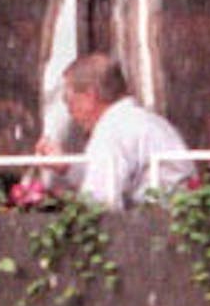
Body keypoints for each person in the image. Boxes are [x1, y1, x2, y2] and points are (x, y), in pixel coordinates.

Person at [36, 53, 193, 208]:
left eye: (68, 100)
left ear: (90, 97)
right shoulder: (145, 121)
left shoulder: (112, 129)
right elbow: (108, 173)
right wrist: (65, 167)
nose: (69, 111)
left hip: (153, 224)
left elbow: (98, 201)